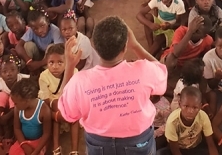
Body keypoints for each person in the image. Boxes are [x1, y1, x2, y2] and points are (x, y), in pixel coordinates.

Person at [58, 16, 167, 154]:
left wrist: (69, 66)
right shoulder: (144, 69)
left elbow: (67, 112)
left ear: (95, 49)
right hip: (138, 141)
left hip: (99, 144)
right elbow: (162, 73)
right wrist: (136, 46)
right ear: (125, 46)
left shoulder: (80, 81)